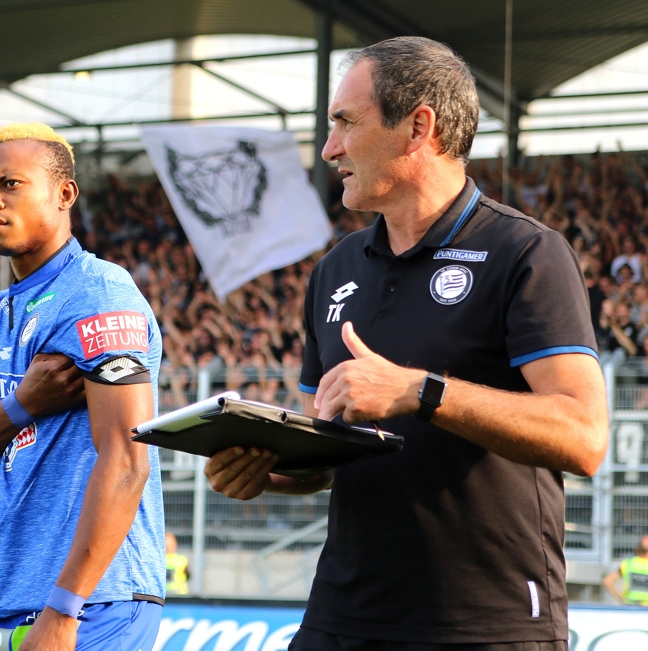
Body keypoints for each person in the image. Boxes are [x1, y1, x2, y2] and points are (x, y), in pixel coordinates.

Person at [203, 37, 608, 650]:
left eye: (345, 123)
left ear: (418, 126)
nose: (329, 147)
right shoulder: (335, 269)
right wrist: (267, 468)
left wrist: (420, 391)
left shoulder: (525, 252)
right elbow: (329, 457)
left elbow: (583, 436)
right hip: (341, 617)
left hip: (484, 624)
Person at [0, 123, 165, 651]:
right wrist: (21, 404)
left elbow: (127, 460)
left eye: (10, 184)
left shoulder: (98, 294)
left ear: (64, 194)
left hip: (91, 605)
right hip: (4, 605)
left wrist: (64, 608)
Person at [603, 535, 648, 605]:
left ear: (637, 549)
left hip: (630, 608)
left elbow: (607, 581)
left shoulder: (628, 564)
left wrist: (621, 599)